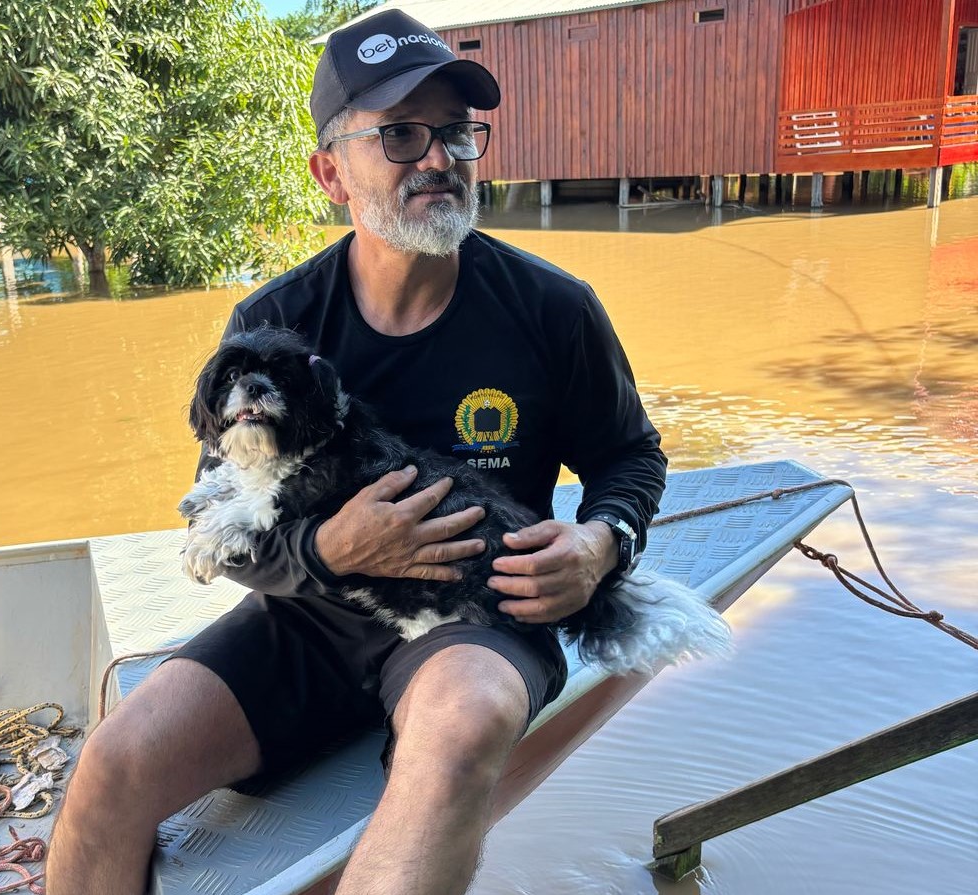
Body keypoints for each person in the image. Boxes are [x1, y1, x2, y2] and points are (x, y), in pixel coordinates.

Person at [46, 9, 666, 894]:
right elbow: (218, 516)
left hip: (471, 619)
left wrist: (602, 542)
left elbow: (630, 458)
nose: (439, 158)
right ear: (331, 174)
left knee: (462, 724)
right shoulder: (272, 327)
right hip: (307, 619)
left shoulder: (552, 309)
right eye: (402, 135)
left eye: (455, 132)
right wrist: (328, 549)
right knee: (109, 766)